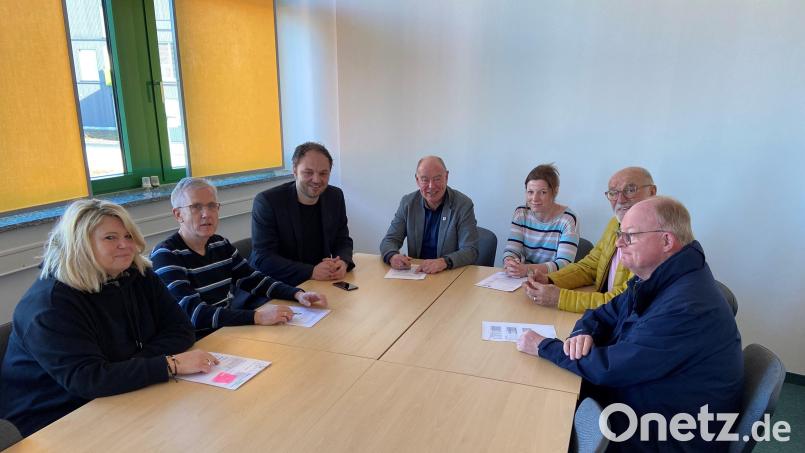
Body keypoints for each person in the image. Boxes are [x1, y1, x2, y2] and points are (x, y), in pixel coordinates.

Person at [516, 197, 742, 451]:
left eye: (630, 236)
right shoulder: (656, 277)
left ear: (666, 241)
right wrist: (583, 332)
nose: (618, 243)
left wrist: (544, 346)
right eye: (619, 234)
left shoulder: (686, 307)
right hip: (642, 402)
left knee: (535, 422)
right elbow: (603, 312)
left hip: (662, 434)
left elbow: (611, 368)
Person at [0, 199, 216, 437]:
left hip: (119, 395)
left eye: (128, 236)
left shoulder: (138, 275)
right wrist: (168, 364)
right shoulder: (49, 304)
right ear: (80, 244)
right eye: (110, 238)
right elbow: (87, 379)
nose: (125, 245)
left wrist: (129, 367)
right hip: (52, 419)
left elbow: (181, 329)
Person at [151, 178, 327, 337]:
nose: (206, 214)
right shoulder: (166, 256)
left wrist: (296, 293)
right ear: (178, 214)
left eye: (212, 205)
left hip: (225, 333)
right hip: (191, 345)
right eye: (196, 207)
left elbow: (253, 279)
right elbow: (195, 314)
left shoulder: (220, 244)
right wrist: (257, 316)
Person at [523, 167, 657, 312]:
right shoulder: (615, 224)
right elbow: (589, 267)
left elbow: (624, 301)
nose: (620, 199)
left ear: (652, 192)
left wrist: (560, 298)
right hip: (605, 315)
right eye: (613, 193)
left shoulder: (654, 238)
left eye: (630, 190)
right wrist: (550, 279)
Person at [251, 142, 354, 286]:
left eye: (323, 173)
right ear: (294, 171)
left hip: (318, 283)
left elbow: (342, 239)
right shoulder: (268, 202)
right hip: (276, 286)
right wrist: (310, 271)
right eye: (308, 172)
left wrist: (342, 261)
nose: (317, 180)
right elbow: (263, 258)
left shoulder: (334, 196)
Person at [379, 156, 479, 274]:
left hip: (450, 275)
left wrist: (444, 262)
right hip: (418, 276)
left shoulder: (463, 205)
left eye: (437, 179)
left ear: (446, 177)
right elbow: (390, 240)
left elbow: (470, 250)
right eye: (425, 179)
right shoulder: (408, 203)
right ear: (417, 180)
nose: (431, 186)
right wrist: (392, 256)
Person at [502, 164, 579, 278]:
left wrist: (528, 269)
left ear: (555, 191)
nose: (534, 198)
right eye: (530, 192)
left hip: (552, 281)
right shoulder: (521, 214)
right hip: (521, 280)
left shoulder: (567, 219)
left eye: (542, 192)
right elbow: (512, 250)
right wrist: (510, 262)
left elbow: (564, 264)